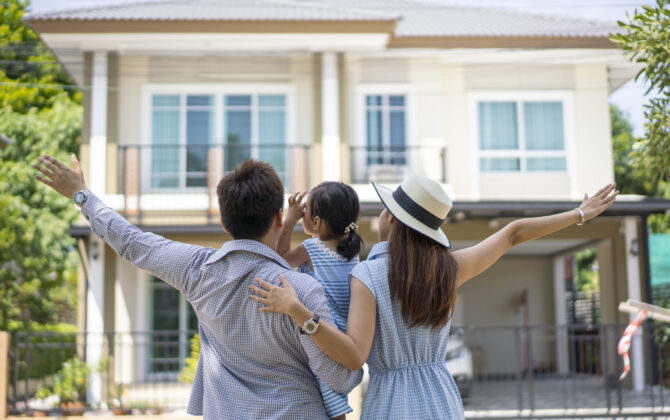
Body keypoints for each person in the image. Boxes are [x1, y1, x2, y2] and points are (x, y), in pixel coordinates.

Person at [250, 174, 618, 420]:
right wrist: (579, 214)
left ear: (392, 221)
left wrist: (300, 313)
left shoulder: (367, 274)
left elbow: (354, 354)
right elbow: (512, 235)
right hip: (442, 397)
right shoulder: (447, 269)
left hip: (391, 402)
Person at [33, 154, 362, 420]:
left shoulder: (197, 270)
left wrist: (81, 195)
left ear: (223, 223)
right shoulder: (302, 290)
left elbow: (131, 242)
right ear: (279, 217)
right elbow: (339, 379)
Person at [275, 182, 364, 419]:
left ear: (316, 223)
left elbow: (280, 258)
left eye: (304, 210)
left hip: (322, 331)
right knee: (332, 397)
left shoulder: (312, 247)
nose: (301, 212)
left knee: (330, 401)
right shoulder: (351, 250)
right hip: (346, 335)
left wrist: (289, 220)